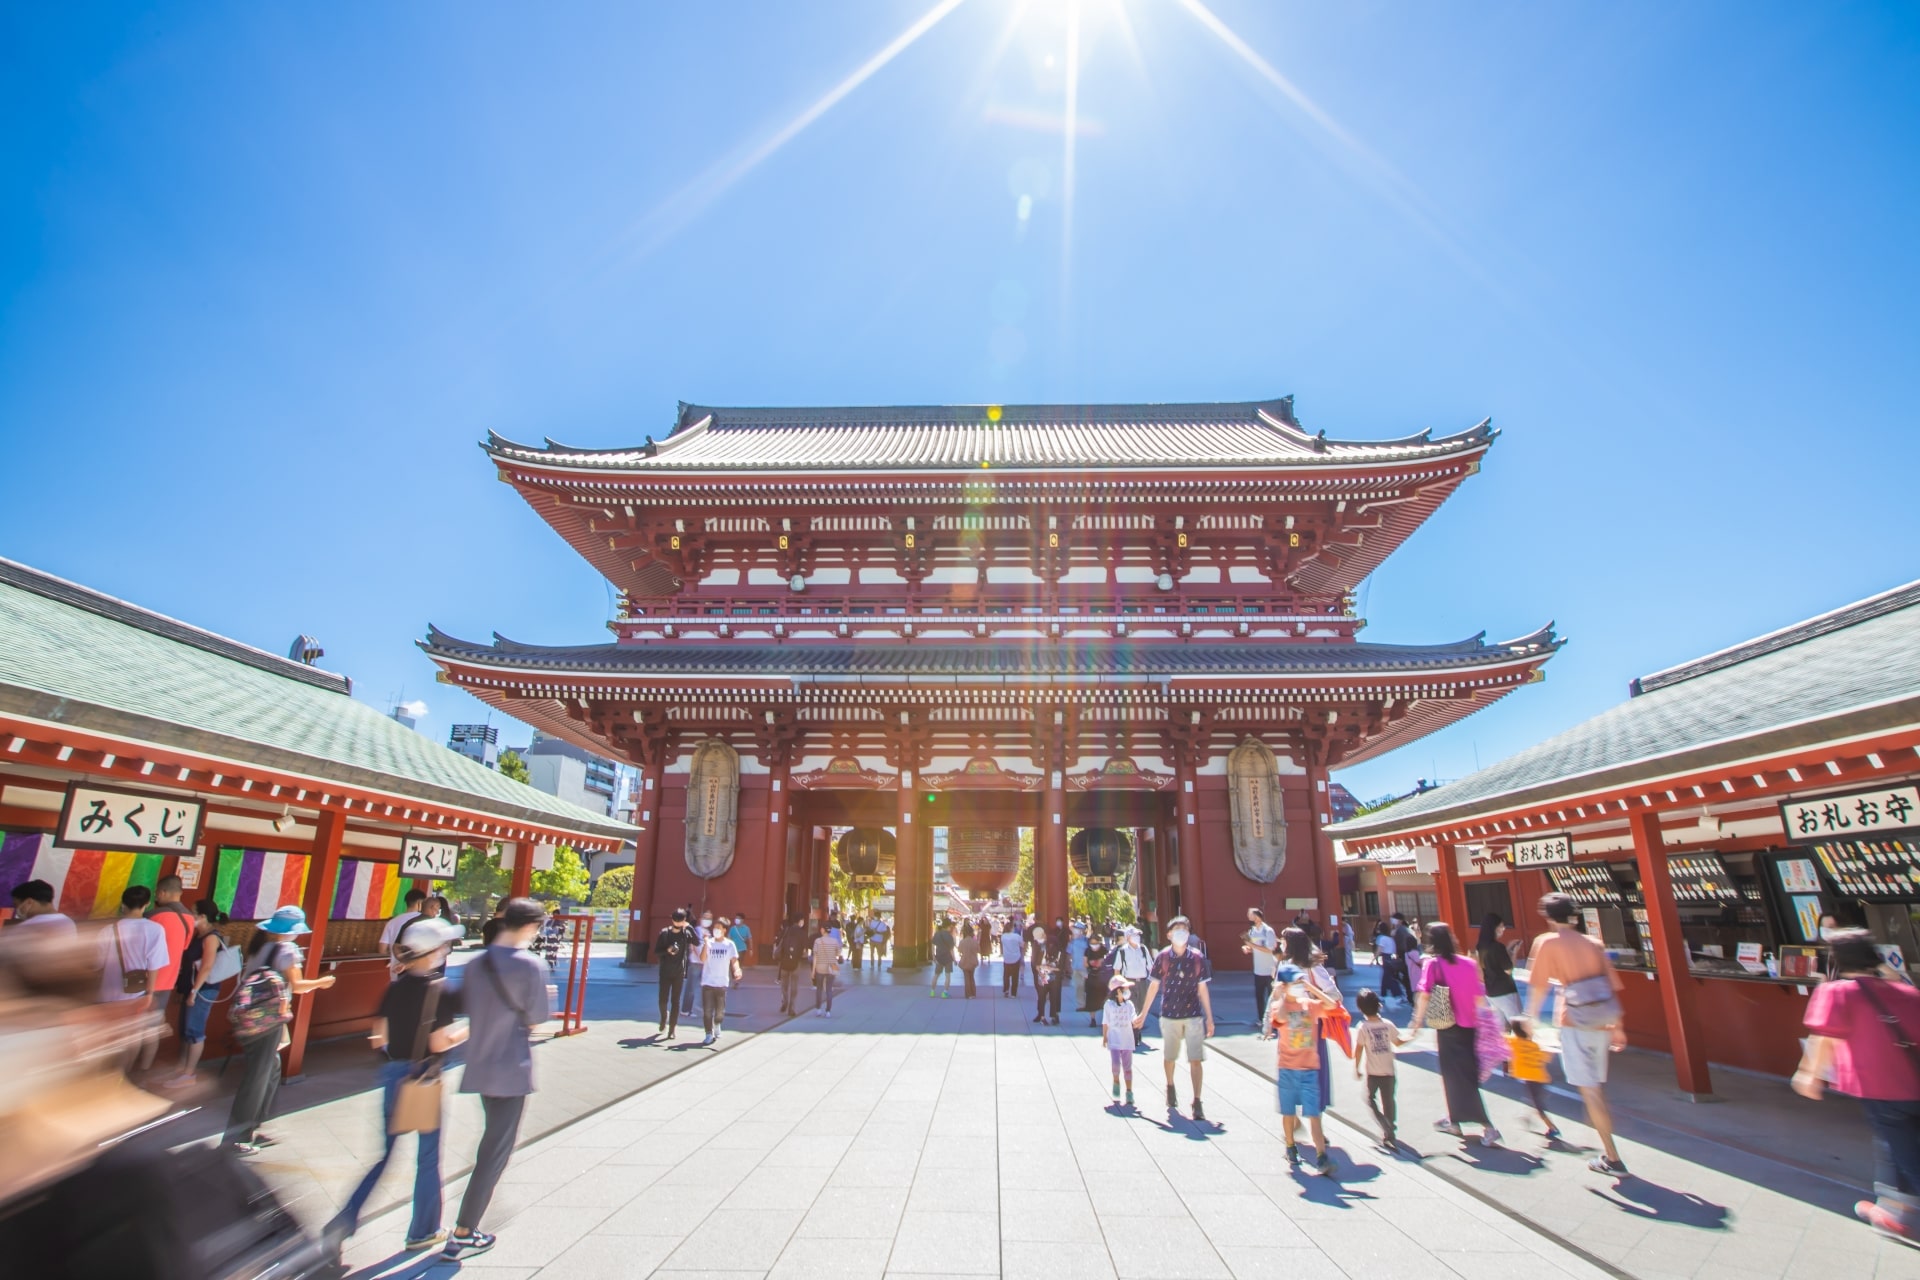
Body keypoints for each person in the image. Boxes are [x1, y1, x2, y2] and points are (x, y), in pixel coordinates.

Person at [327, 916, 467, 1256]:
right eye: (444, 946)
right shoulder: (439, 989)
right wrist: (468, 1031)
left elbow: (379, 1036)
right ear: (432, 952)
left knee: (385, 1154)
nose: (446, 951)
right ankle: (423, 1229)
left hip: (393, 1073)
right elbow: (439, 1043)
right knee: (428, 1156)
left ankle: (344, 1219)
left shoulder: (395, 987)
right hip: (422, 1077)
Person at [445, 897, 554, 1261]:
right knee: (495, 1151)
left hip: (479, 1062)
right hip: (511, 1066)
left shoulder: (477, 963)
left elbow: (465, 1007)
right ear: (529, 926)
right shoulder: (531, 965)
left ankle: (466, 1224)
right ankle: (463, 1230)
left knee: (491, 1143)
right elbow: (538, 1017)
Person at [1795, 927, 1920, 1243]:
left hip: (1881, 1085)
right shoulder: (1906, 992)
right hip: (1912, 1082)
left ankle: (1896, 1211)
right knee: (1893, 1143)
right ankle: (1892, 1208)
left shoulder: (1838, 992)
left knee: (1903, 1149)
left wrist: (1810, 1074)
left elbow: (1825, 1036)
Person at [1526, 892, 1627, 1175]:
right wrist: (1618, 1027)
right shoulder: (1594, 943)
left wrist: (1530, 1018)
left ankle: (1613, 1157)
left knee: (1590, 1090)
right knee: (1595, 1087)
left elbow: (1538, 985)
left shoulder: (1547, 943)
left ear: (1548, 916)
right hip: (1603, 1021)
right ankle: (1606, 1146)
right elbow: (1610, 985)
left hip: (1575, 1020)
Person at [226, 906, 335, 1154]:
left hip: (250, 1018)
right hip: (268, 1020)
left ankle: (254, 1125)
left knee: (271, 1069)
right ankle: (239, 1136)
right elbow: (296, 985)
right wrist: (322, 982)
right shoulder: (287, 950)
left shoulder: (259, 947)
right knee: (257, 1077)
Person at [1410, 921, 1501, 1147]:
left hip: (1447, 1027)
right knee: (1464, 1075)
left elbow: (1424, 995)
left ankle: (1487, 1126)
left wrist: (1416, 1022)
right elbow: (1480, 998)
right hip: (1470, 1026)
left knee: (1455, 1077)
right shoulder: (1469, 963)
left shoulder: (1433, 965)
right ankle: (1454, 1120)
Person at [1137, 914, 1215, 1122]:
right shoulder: (1163, 957)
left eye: (1185, 929)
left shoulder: (1197, 958)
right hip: (1170, 1013)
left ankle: (1197, 1101)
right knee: (1170, 1056)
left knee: (1195, 1059)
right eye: (1177, 929)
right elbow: (1153, 986)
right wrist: (1143, 1014)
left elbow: (1203, 988)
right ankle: (1170, 1085)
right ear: (1169, 934)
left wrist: (1210, 1017)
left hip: (1193, 1014)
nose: (1182, 932)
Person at [1268, 961, 1339, 1174]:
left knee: (1314, 1114)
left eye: (1300, 980)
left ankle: (1321, 1155)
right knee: (1288, 1112)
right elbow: (1279, 1018)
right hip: (1288, 1068)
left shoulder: (1310, 1005)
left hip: (1310, 1068)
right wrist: (1281, 995)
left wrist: (1311, 989)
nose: (1299, 984)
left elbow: (1331, 1005)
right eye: (1295, 981)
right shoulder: (1280, 1006)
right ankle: (1290, 1145)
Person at [167, 898, 232, 1085]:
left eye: (194, 913)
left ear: (203, 916)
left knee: (195, 1030)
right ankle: (181, 1069)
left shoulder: (211, 937)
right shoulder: (198, 935)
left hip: (204, 990)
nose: (191, 916)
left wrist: (195, 991)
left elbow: (207, 966)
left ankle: (189, 1074)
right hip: (191, 988)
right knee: (186, 1030)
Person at [142, 875, 196, 1070]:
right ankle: (144, 1069)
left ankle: (126, 1070)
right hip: (168, 981)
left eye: (157, 893)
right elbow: (184, 947)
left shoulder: (153, 916)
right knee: (152, 1029)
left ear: (163, 893)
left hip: (144, 979)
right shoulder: (190, 919)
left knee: (131, 1028)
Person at [1351, 988, 1410, 1149]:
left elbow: (1359, 1049)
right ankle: (1390, 1126)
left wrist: (1356, 1067)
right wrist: (1411, 1036)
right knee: (1389, 1100)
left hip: (1373, 1072)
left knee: (1370, 1099)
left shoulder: (1363, 1027)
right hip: (1389, 1070)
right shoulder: (1388, 1024)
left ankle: (1385, 1126)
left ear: (1360, 1008)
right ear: (1378, 1005)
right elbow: (1398, 1042)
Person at [1506, 1016, 1561, 1139]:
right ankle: (1528, 1117)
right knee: (1535, 1101)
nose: (1531, 1027)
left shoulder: (1514, 1042)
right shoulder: (1533, 1045)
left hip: (1533, 1079)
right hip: (1540, 1079)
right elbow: (1545, 1058)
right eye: (1528, 1026)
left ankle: (1552, 1128)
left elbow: (1502, 1039)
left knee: (1538, 1105)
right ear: (1522, 1030)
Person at [697, 914, 742, 1045]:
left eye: (718, 928)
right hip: (707, 982)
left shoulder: (729, 945)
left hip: (721, 982)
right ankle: (708, 1033)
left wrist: (736, 970)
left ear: (724, 930)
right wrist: (706, 944)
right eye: (714, 927)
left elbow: (734, 960)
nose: (715, 930)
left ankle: (717, 1024)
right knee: (707, 1010)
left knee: (720, 1012)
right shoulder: (709, 943)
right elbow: (702, 959)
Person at [654, 907, 697, 1038]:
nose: (678, 923)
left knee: (675, 1001)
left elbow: (696, 941)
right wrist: (667, 950)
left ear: (684, 921)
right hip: (665, 971)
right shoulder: (665, 933)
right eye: (677, 920)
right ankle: (663, 1017)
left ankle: (672, 1028)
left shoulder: (686, 933)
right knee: (662, 1000)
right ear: (672, 919)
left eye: (681, 920)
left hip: (679, 972)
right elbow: (657, 951)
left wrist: (689, 927)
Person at [1113, 926, 1153, 1049]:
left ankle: (1138, 1031)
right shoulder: (1122, 951)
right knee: (1132, 1009)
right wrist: (1119, 986)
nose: (1137, 937)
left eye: (1138, 935)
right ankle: (1133, 1035)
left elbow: (1151, 966)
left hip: (1142, 982)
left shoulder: (1143, 949)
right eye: (1135, 935)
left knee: (1141, 1008)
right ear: (1128, 937)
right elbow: (1117, 969)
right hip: (1128, 983)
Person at [1477, 912, 1520, 1026]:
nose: (1503, 929)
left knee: (1501, 1029)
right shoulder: (1498, 947)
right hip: (1505, 990)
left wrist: (1508, 949)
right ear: (1494, 928)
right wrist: (1514, 953)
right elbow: (1509, 969)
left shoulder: (1480, 946)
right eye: (1501, 926)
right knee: (1517, 1026)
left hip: (1491, 991)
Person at [1103, 974, 1138, 1105]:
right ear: (1117, 991)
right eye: (1125, 989)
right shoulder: (1109, 1005)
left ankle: (1129, 1092)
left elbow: (1133, 1018)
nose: (1127, 991)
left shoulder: (1129, 1005)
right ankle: (1116, 1081)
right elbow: (1105, 1021)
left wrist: (1137, 1022)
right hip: (1114, 1041)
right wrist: (1104, 1037)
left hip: (1127, 1041)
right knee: (1116, 1065)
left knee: (1128, 1067)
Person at [1243, 908, 1279, 1035]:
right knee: (1259, 995)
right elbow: (1255, 947)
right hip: (1257, 968)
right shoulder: (1252, 931)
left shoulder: (1268, 930)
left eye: (1250, 914)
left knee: (1271, 995)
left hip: (1269, 968)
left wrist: (1252, 946)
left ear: (1257, 916)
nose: (1248, 917)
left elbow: (1269, 949)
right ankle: (1261, 1019)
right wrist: (1248, 948)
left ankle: (1273, 1020)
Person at [7, 879, 75, 934]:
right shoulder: (69, 923)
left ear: (29, 902)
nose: (16, 909)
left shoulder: (26, 928)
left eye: (16, 905)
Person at [381, 889, 429, 964]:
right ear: (420, 903)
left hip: (395, 970)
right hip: (417, 968)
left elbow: (382, 950)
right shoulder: (424, 920)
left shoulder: (391, 922)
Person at [775, 912, 810, 1015]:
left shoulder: (786, 930)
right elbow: (805, 951)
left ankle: (784, 1001)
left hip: (784, 961)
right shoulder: (803, 933)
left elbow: (778, 943)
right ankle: (792, 1007)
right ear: (800, 921)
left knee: (784, 984)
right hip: (796, 962)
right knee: (794, 985)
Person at [1033, 924, 1065, 1025]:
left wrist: (1051, 968)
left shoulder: (1053, 941)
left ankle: (1054, 1015)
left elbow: (1060, 959)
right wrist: (1039, 970)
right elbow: (1034, 961)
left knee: (1054, 995)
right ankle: (1042, 1016)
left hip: (1054, 973)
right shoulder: (1037, 944)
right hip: (1043, 974)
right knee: (1042, 995)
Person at [811, 922, 842, 1016]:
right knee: (829, 989)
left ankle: (818, 1009)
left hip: (820, 967)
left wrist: (813, 970)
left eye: (821, 929)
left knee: (819, 989)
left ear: (823, 930)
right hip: (831, 968)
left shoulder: (817, 941)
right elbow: (838, 954)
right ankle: (828, 1011)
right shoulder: (835, 941)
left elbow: (815, 956)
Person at [683, 911, 709, 1018]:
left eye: (710, 918)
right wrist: (699, 956)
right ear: (701, 918)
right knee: (691, 988)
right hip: (695, 962)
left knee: (706, 986)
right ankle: (685, 1010)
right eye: (706, 917)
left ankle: (703, 1008)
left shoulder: (708, 932)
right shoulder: (697, 930)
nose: (707, 919)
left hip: (705, 963)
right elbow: (692, 945)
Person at [1083, 928, 1111, 1025]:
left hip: (1102, 976)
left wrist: (1101, 962)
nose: (1094, 945)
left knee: (1104, 997)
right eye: (1092, 943)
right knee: (1091, 998)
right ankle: (1093, 1019)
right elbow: (1085, 963)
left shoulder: (1103, 949)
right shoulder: (1087, 951)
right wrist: (1091, 963)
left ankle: (1105, 1019)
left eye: (1095, 942)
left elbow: (1108, 960)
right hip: (1091, 975)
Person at [1374, 921, 1401, 1000]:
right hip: (1391, 957)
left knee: (1388, 977)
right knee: (1386, 977)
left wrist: (1375, 958)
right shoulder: (1390, 939)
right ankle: (1383, 994)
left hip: (1385, 958)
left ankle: (1397, 994)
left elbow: (1379, 949)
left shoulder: (1382, 938)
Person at [931, 917, 956, 998]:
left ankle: (932, 991)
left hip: (939, 956)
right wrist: (954, 959)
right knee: (947, 976)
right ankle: (945, 993)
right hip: (948, 957)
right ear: (948, 926)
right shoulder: (949, 936)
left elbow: (932, 945)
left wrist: (933, 955)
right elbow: (951, 949)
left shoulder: (937, 933)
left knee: (936, 975)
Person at [1000, 919, 1025, 997]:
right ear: (1012, 928)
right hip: (1016, 957)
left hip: (1007, 958)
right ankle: (1013, 993)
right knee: (1015, 976)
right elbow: (1022, 945)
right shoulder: (1017, 936)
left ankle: (1006, 990)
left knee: (1006, 975)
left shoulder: (1003, 936)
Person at [958, 921, 980, 999]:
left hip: (964, 961)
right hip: (973, 961)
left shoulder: (962, 942)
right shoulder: (975, 942)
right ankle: (973, 993)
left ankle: (968, 994)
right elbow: (978, 950)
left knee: (966, 978)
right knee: (972, 977)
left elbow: (959, 950)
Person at [728, 913, 752, 983]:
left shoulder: (746, 928)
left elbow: (750, 938)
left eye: (738, 918)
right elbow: (729, 938)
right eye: (736, 918)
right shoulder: (732, 929)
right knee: (732, 964)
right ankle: (734, 977)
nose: (736, 920)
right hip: (733, 949)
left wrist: (751, 949)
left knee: (739, 963)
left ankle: (737, 979)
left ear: (742, 920)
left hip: (742, 949)